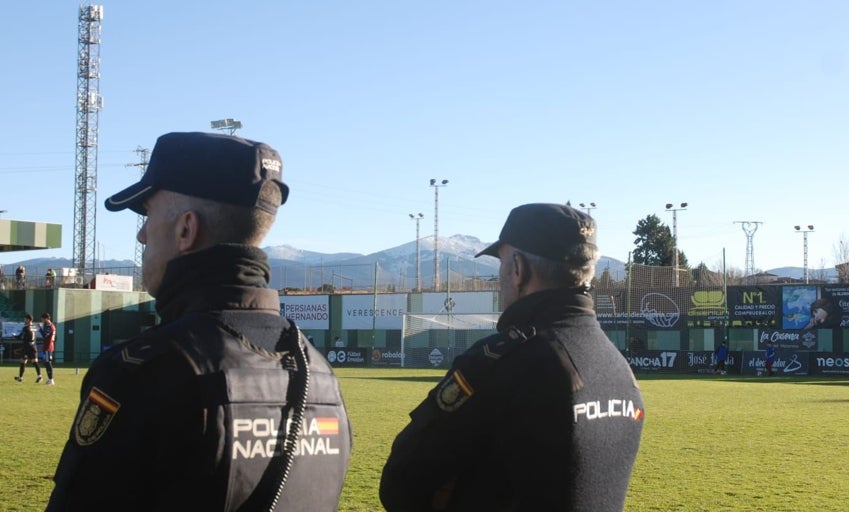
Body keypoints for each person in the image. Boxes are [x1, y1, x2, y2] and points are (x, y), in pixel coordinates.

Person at [48, 132, 352, 511]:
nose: (142, 235)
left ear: (186, 229)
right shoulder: (318, 372)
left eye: (148, 215)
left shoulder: (147, 372)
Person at [380, 203, 645, 512]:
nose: (501, 277)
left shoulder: (502, 363)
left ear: (518, 269)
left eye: (502, 264)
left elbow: (401, 483)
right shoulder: (616, 366)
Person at [14, 314, 42, 383]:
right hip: (33, 346)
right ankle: (39, 376)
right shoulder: (34, 327)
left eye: (25, 319)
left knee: (23, 361)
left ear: (29, 320)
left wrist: (14, 336)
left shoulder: (25, 328)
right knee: (35, 361)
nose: (24, 320)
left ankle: (20, 377)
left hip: (27, 346)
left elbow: (20, 337)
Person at [38, 313, 56, 385]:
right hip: (48, 346)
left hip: (48, 346)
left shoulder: (49, 326)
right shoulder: (50, 325)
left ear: (46, 318)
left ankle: (51, 380)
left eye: (42, 319)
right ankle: (50, 379)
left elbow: (45, 335)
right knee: (46, 362)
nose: (42, 320)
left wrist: (40, 328)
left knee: (47, 362)